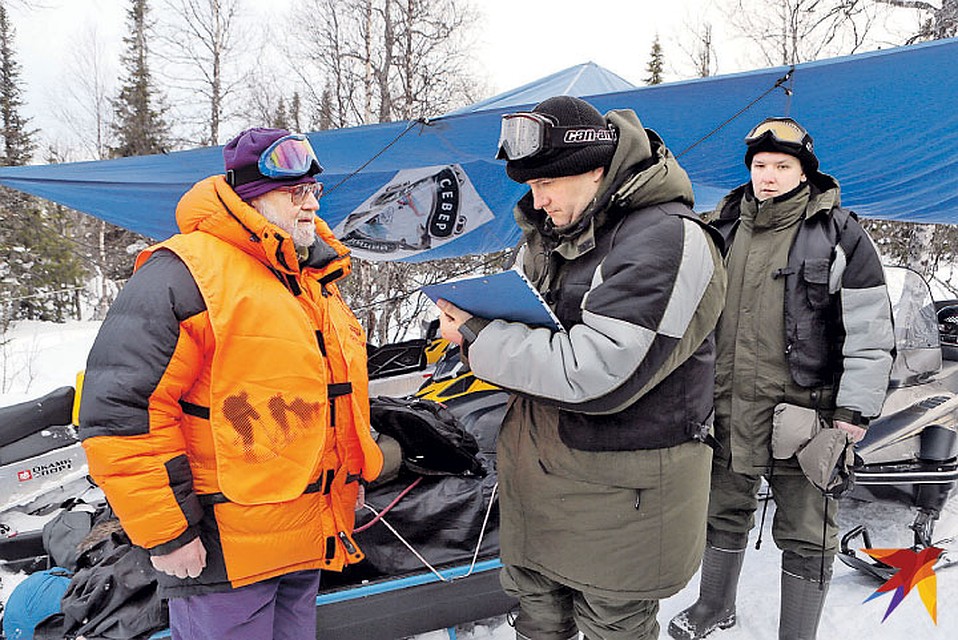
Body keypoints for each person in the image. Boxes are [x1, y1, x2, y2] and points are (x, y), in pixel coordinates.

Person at [437, 95, 727, 640]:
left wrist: (478, 336)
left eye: (547, 184)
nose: (537, 200)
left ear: (594, 169)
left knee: (612, 625)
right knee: (538, 619)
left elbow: (597, 376)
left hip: (623, 501)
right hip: (544, 483)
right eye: (530, 186)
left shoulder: (667, 237)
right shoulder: (554, 235)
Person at [77, 127, 383, 640]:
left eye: (313, 190)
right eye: (294, 192)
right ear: (249, 196)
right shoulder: (185, 273)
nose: (309, 204)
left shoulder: (309, 278)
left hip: (304, 534)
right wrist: (168, 532)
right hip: (222, 552)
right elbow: (121, 412)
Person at [667, 117, 895, 640]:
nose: (768, 176)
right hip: (724, 404)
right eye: (760, 165)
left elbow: (869, 329)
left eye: (782, 166)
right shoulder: (720, 229)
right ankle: (712, 608)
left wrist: (853, 411)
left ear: (803, 171)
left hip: (805, 414)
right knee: (721, 510)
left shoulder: (839, 235)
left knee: (808, 529)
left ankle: (798, 632)